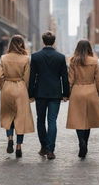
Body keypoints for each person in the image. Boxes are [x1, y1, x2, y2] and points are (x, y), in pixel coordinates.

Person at [29, 31, 70, 160]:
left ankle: (44, 147)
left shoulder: (35, 56)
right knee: (52, 121)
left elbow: (31, 77)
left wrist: (30, 93)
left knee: (40, 121)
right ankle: (51, 150)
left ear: (43, 41)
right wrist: (66, 94)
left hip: (40, 93)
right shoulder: (60, 57)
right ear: (54, 41)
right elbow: (65, 77)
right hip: (55, 93)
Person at [0, 35, 34, 158]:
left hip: (7, 87)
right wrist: (26, 90)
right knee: (21, 118)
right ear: (22, 44)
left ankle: (10, 139)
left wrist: (3, 87)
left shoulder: (3, 58)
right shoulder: (26, 59)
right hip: (20, 88)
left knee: (8, 116)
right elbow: (27, 78)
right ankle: (18, 146)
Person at [66, 40, 99, 158]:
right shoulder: (94, 61)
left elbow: (70, 80)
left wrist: (67, 94)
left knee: (78, 120)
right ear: (89, 48)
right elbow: (98, 80)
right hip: (91, 91)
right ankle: (85, 143)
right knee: (88, 120)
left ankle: (81, 142)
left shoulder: (73, 61)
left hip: (77, 92)